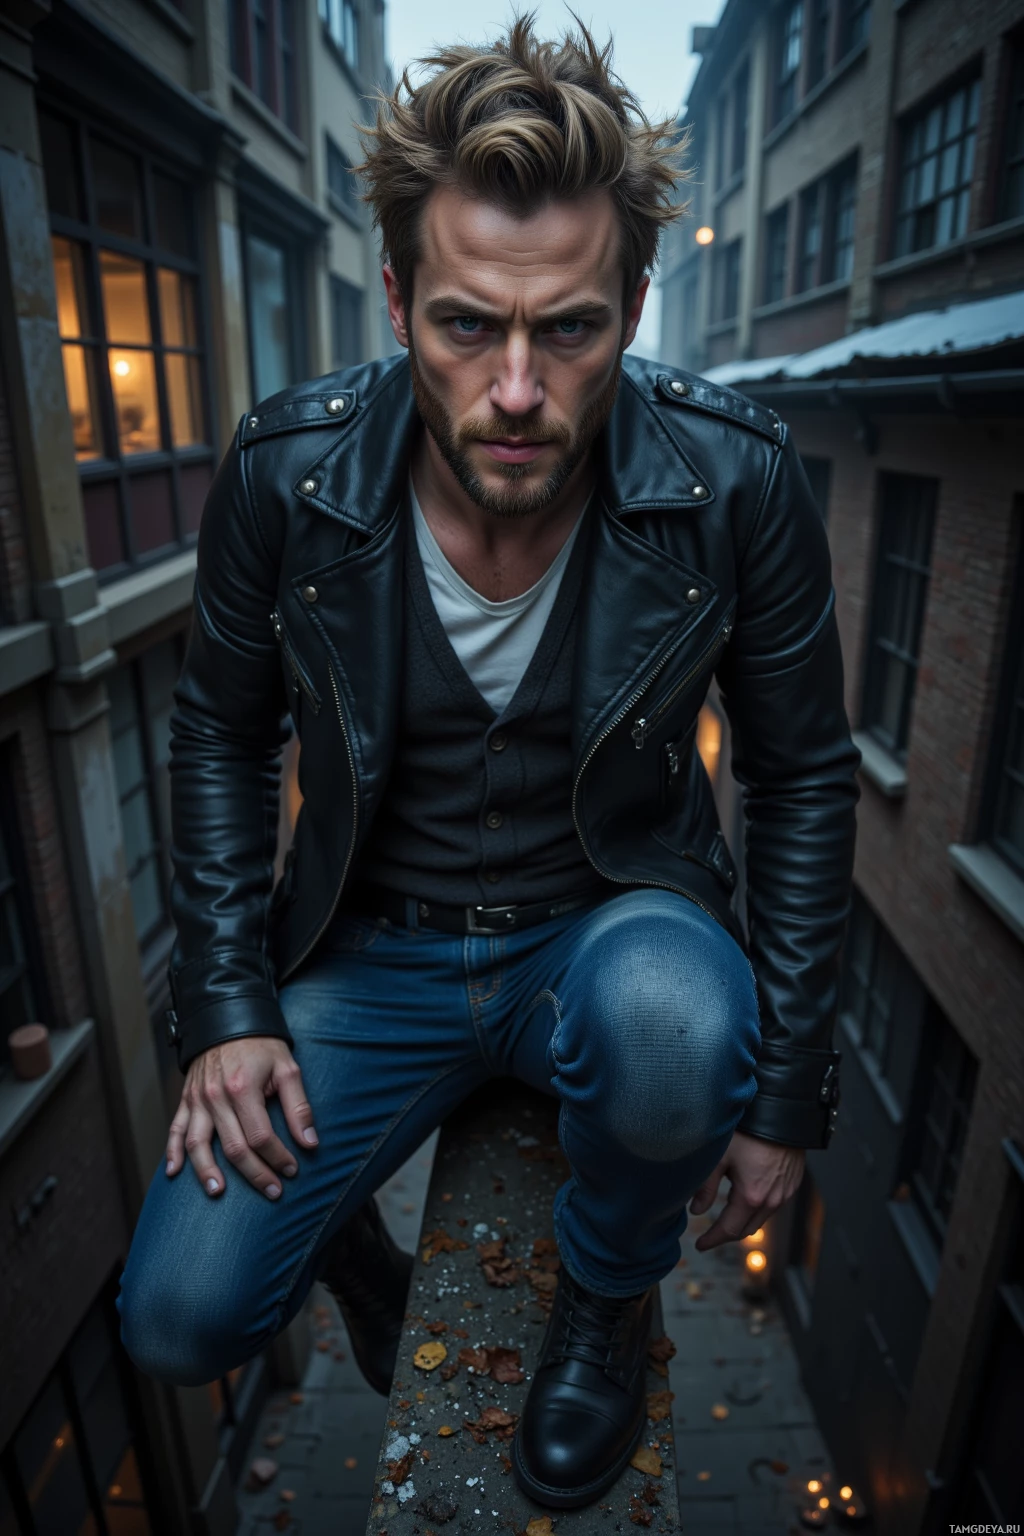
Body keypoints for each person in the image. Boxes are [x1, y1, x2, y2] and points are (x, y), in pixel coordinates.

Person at [118, 18, 859, 1510]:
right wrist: (226, 1006)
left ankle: (600, 1297)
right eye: (468, 325)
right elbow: (215, 729)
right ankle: (364, 1270)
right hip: (370, 948)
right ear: (397, 297)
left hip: (610, 923)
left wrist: (787, 1095)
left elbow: (802, 778)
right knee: (176, 1315)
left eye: (568, 329)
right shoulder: (285, 474)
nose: (516, 389)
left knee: (669, 1028)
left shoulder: (737, 480)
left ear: (634, 305)